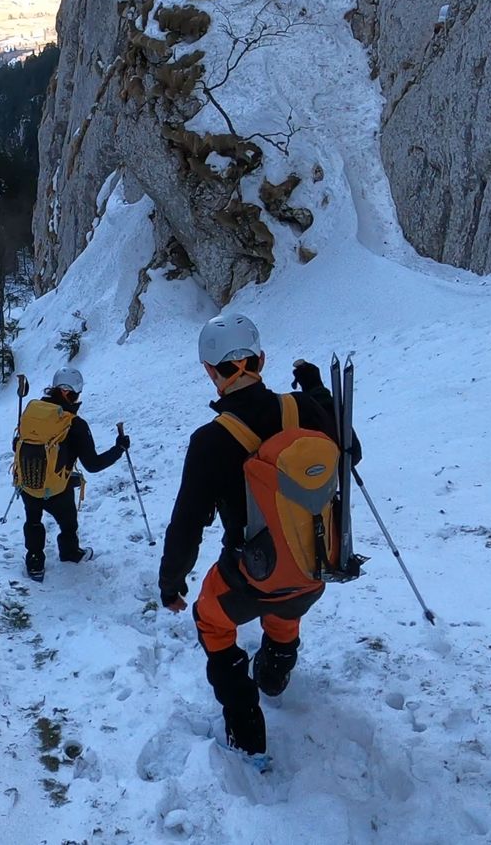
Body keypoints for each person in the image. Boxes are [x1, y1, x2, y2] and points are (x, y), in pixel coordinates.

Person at [157, 313, 357, 766]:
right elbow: (352, 451)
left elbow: (187, 524)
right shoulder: (304, 409)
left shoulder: (211, 441)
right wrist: (315, 393)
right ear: (262, 360)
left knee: (212, 618)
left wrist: (172, 583)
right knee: (286, 606)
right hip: (315, 569)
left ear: (210, 372)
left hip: (249, 578)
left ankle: (246, 722)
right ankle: (275, 672)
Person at [12, 366, 128, 581]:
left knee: (33, 520)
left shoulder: (33, 412)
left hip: (28, 482)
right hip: (57, 489)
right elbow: (92, 464)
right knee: (68, 523)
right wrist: (119, 449)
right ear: (70, 393)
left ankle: (35, 560)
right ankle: (70, 552)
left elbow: (15, 444)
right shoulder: (75, 424)